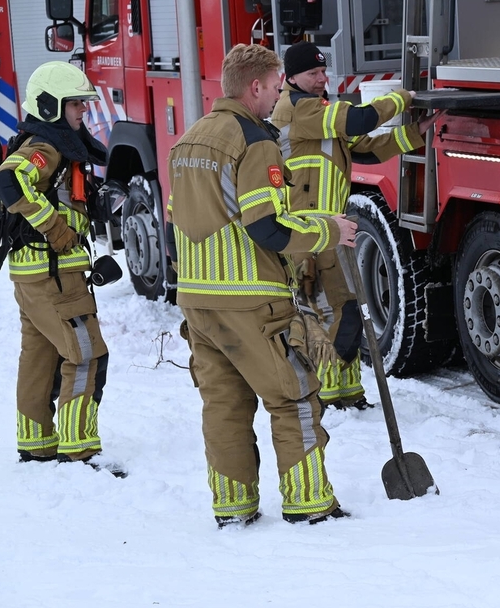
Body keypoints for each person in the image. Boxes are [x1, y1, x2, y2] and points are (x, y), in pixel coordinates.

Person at [166, 44, 357, 528]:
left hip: (196, 300)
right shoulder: (255, 141)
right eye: (275, 87)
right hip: (250, 300)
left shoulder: (188, 141)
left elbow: (176, 225)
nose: (278, 98)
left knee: (224, 406)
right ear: (255, 86)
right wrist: (329, 230)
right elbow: (267, 227)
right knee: (292, 395)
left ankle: (233, 508)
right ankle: (310, 502)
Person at [270, 41, 439, 411]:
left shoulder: (318, 110)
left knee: (346, 310)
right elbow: (359, 120)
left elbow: (364, 147)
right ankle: (330, 395)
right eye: (312, 73)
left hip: (331, 228)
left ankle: (347, 391)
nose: (320, 79)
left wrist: (417, 132)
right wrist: (403, 98)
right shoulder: (299, 109)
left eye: (322, 71)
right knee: (334, 312)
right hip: (310, 231)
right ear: (291, 77)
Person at [0, 61, 112, 468]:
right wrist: (58, 231)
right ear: (51, 107)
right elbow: (10, 180)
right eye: (76, 104)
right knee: (86, 353)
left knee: (40, 355)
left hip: (35, 274)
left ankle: (37, 442)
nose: (83, 111)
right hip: (54, 274)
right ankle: (78, 449)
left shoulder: (50, 142)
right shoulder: (45, 147)